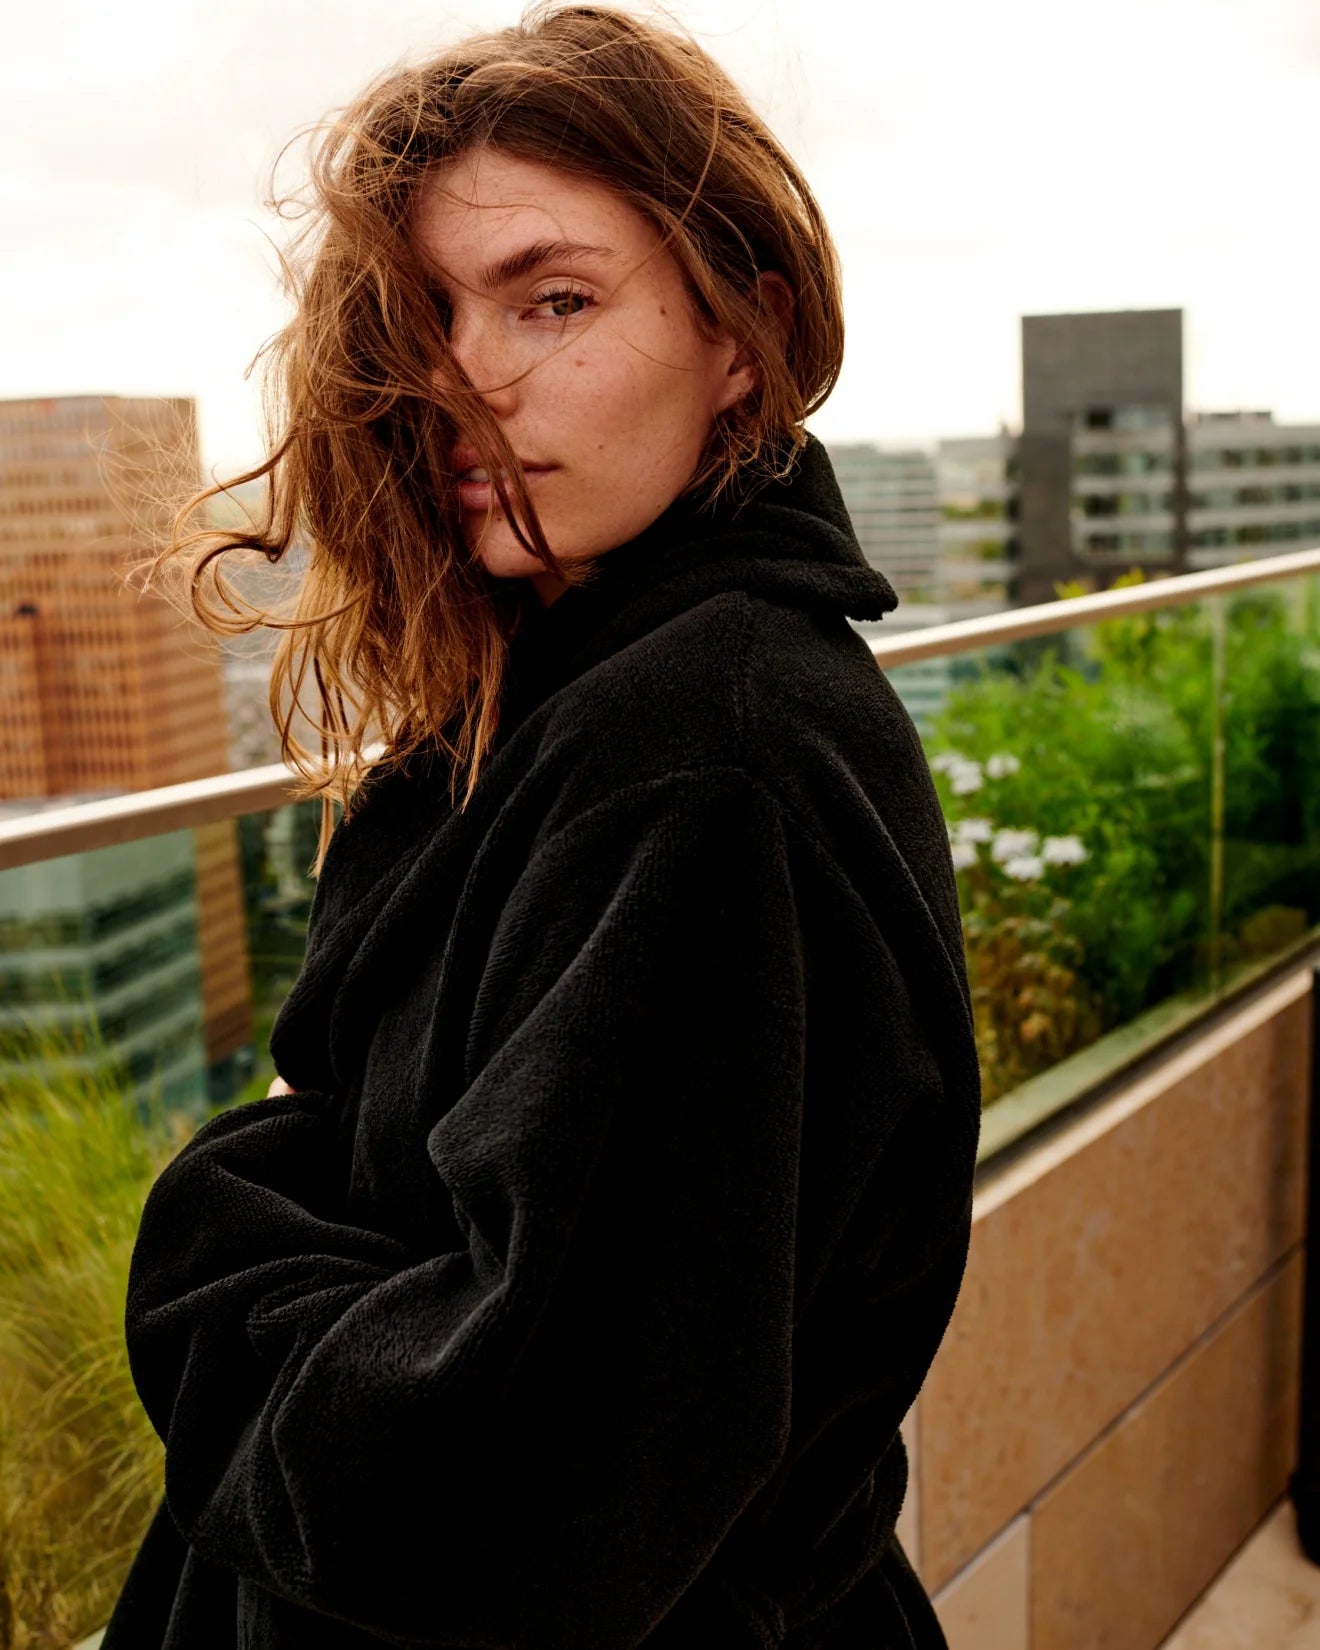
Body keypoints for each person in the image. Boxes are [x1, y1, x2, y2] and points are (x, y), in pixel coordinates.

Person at [104, 5, 982, 1647]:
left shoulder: (707, 759)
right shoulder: (572, 693)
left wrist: (218, 1221)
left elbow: (509, 1485)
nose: (465, 375)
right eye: (428, 313)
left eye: (554, 299)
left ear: (743, 336)